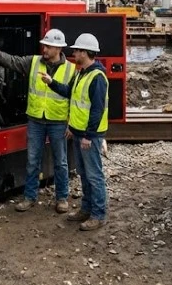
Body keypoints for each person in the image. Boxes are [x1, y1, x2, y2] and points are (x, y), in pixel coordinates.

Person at [0, 29, 76, 214]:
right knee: (32, 160)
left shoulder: (70, 70)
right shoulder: (33, 62)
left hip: (58, 121)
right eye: (44, 45)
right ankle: (29, 197)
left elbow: (74, 97)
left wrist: (71, 122)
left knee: (61, 162)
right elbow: (13, 61)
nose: (44, 49)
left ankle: (62, 198)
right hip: (36, 120)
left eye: (48, 46)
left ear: (58, 48)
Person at [40, 33, 108, 231]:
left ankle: (99, 214)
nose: (74, 53)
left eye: (77, 50)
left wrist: (88, 135)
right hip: (78, 133)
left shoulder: (97, 77)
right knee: (84, 174)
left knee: (94, 176)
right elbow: (71, 95)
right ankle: (86, 210)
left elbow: (96, 110)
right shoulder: (81, 73)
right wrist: (51, 82)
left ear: (86, 53)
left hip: (89, 137)